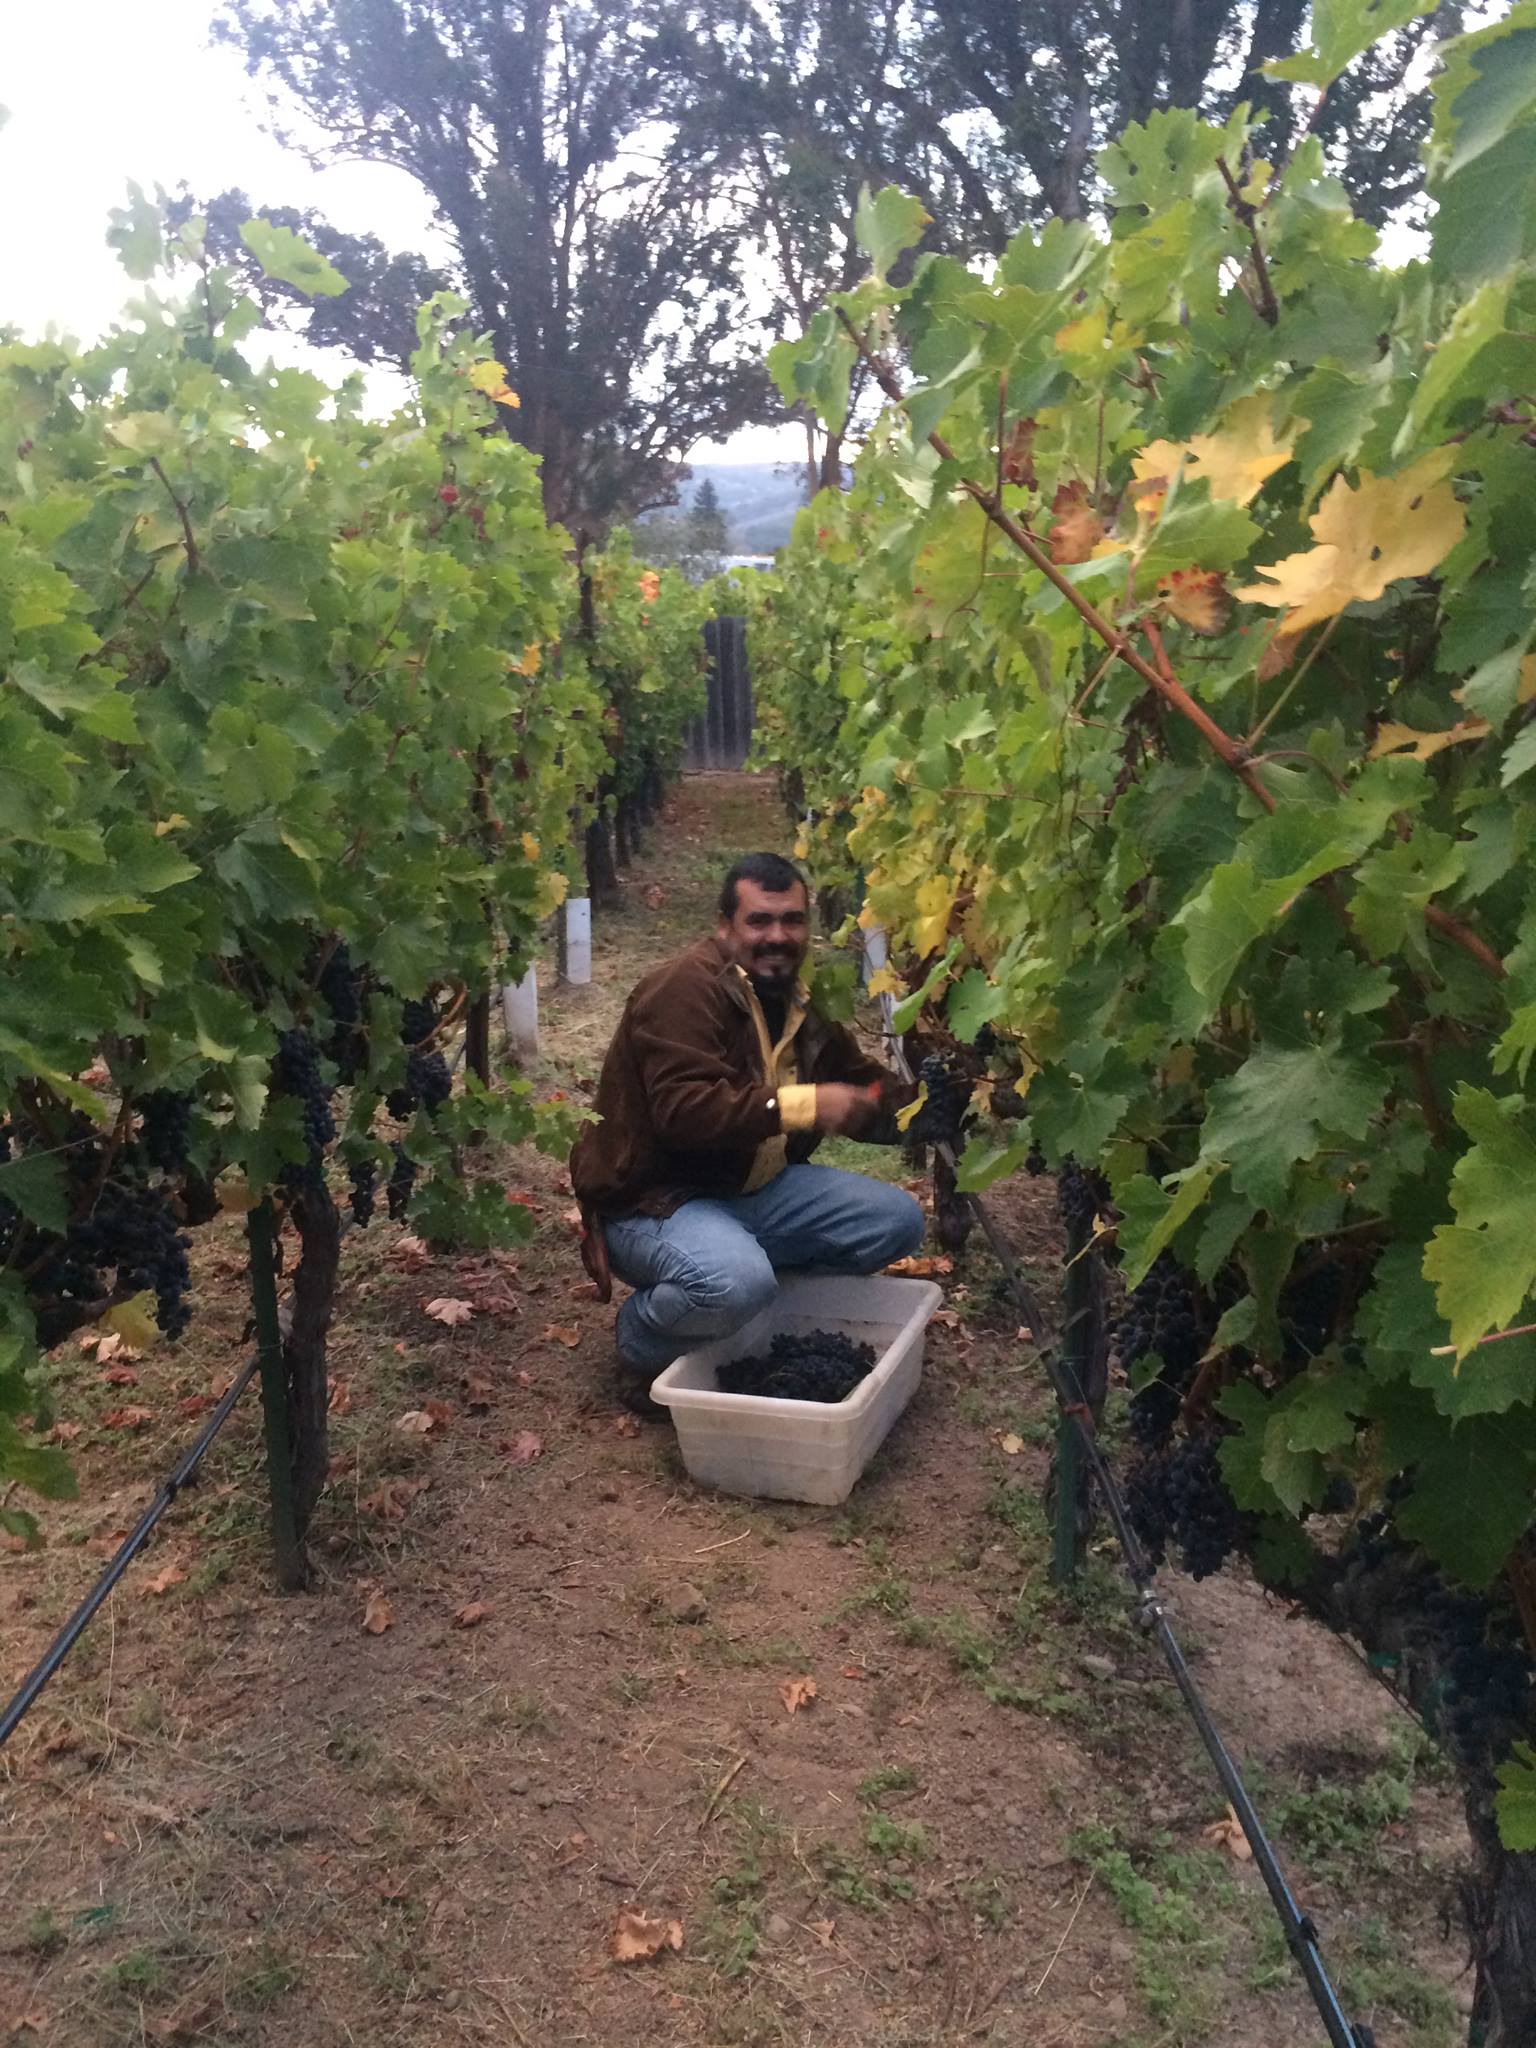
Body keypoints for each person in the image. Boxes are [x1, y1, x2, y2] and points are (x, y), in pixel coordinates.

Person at [571, 852, 925, 1413]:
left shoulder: (798, 1002)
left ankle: (749, 1314)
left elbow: (862, 1088)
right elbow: (685, 1112)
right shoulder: (682, 990)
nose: (777, 936)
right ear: (723, 927)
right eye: (759, 921)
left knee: (895, 1223)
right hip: (655, 1201)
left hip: (753, 1190)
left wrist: (937, 1106)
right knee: (733, 1281)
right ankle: (642, 1338)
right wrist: (805, 1104)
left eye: (791, 920)